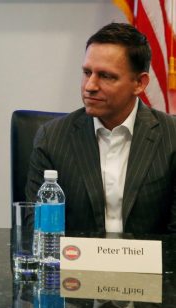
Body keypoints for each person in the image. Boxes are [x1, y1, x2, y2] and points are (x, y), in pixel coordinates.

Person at [26, 22, 176, 234]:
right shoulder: (52, 138)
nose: (90, 86)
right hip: (76, 265)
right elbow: (39, 228)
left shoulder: (171, 136)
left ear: (139, 84)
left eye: (106, 76)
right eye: (87, 73)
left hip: (153, 266)